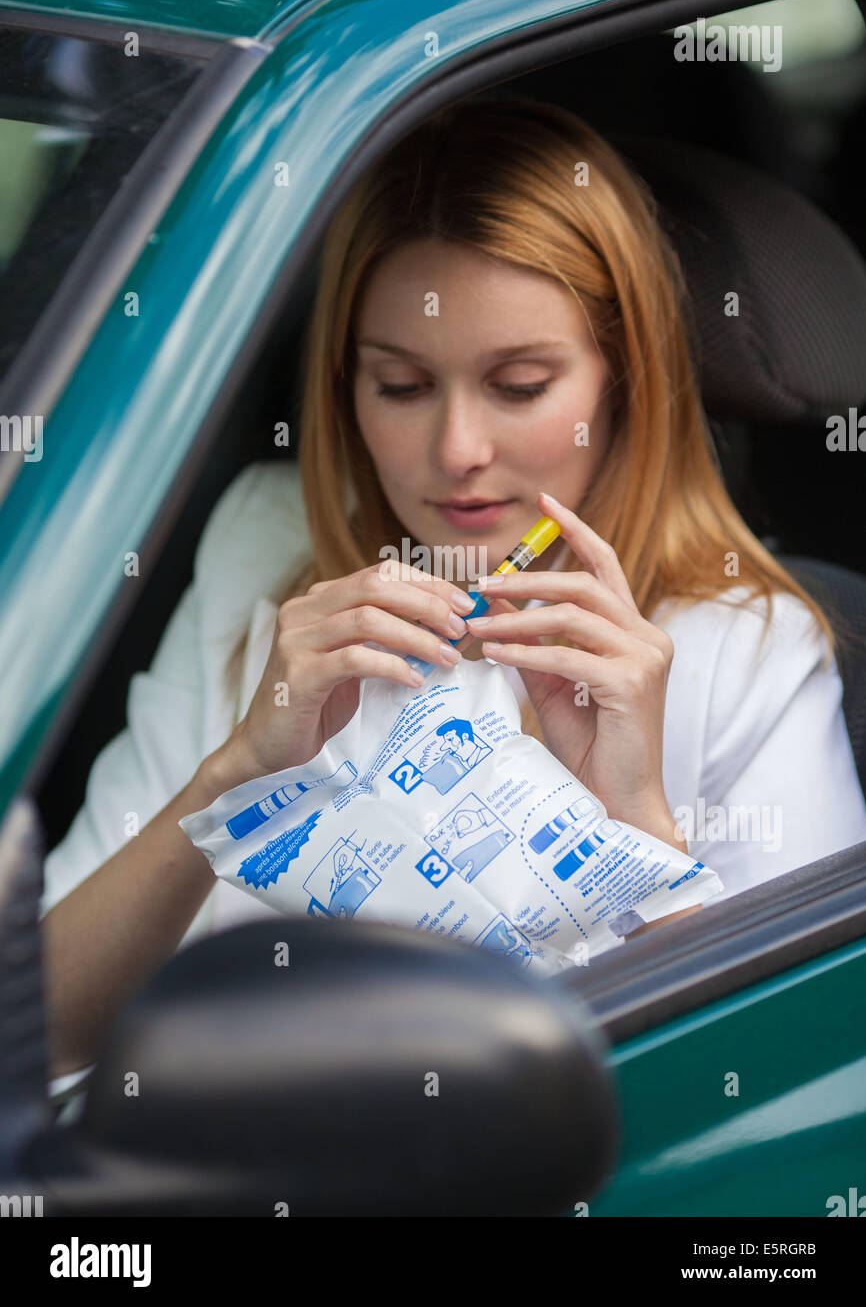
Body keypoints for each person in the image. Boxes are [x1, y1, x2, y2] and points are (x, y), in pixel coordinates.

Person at [39, 92, 866, 1092]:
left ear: (623, 380)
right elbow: (34, 1033)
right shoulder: (267, 547)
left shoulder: (747, 650)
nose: (456, 453)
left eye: (518, 387)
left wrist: (632, 818)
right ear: (344, 386)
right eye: (399, 385)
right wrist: (238, 773)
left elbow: (769, 1095)